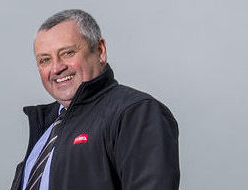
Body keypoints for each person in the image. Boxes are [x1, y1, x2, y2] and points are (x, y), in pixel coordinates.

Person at [10, 9, 180, 190]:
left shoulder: (134, 112)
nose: (56, 68)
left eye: (67, 53)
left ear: (100, 51)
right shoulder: (46, 128)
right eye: (45, 60)